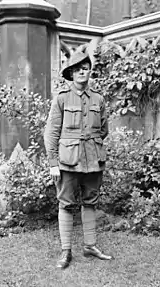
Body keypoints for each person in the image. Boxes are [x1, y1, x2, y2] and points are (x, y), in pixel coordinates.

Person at [44, 50, 112, 269]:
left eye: (86, 68)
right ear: (71, 74)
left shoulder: (98, 99)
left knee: (91, 200)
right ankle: (66, 251)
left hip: (93, 159)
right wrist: (53, 163)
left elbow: (103, 130)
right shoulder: (62, 99)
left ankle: (90, 245)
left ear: (89, 72)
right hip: (68, 161)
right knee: (66, 203)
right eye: (78, 69)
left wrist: (90, 145)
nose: (82, 72)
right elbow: (51, 133)